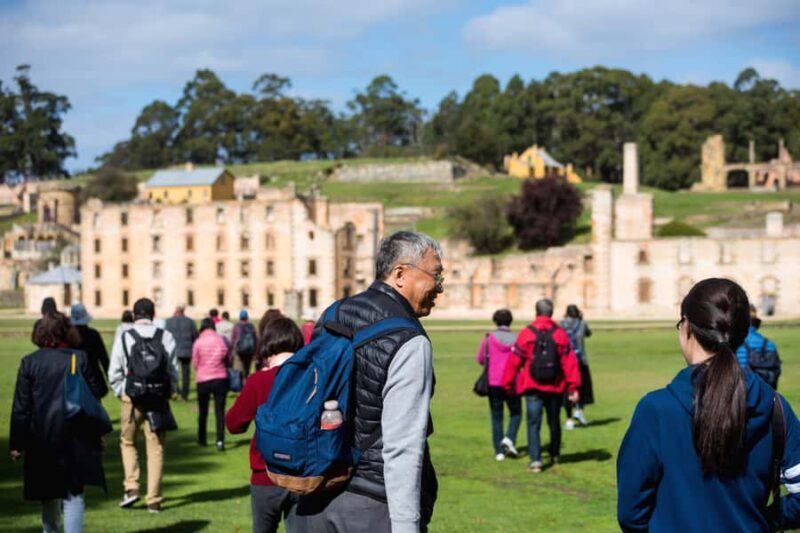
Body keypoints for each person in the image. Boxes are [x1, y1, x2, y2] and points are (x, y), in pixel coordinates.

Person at [617, 278, 800, 531]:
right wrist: (762, 521)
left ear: (686, 327)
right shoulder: (774, 406)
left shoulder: (656, 409)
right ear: (744, 331)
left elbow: (631, 513)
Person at [291, 231, 444, 533]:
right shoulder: (409, 340)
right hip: (371, 504)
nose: (439, 288)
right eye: (436, 276)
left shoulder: (333, 313)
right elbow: (402, 446)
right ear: (400, 274)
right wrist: (405, 526)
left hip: (312, 498)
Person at [10, 312, 106, 533]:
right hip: (76, 435)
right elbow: (96, 394)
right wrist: (98, 435)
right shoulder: (79, 358)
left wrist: (17, 442)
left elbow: (21, 407)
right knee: (74, 494)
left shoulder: (29, 362)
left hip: (41, 436)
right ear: (66, 331)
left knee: (48, 495)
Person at [226, 317, 305, 533]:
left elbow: (233, 424)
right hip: (302, 473)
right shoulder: (311, 378)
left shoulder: (259, 381)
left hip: (266, 474)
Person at [108, 298, 178, 513]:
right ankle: (154, 499)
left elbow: (114, 371)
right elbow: (172, 372)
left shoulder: (125, 336)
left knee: (128, 442)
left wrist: (123, 393)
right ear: (153, 314)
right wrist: (167, 392)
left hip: (132, 398)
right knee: (156, 448)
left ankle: (131, 487)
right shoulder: (165, 337)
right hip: (157, 399)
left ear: (133, 314)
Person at [502, 299, 580, 473]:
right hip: (555, 385)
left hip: (532, 385)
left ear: (536, 312)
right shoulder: (560, 334)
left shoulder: (526, 333)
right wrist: (573, 386)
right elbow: (569, 362)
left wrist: (507, 384)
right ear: (551, 313)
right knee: (554, 422)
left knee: (533, 423)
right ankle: (554, 453)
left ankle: (536, 460)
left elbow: (514, 361)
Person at [475, 309, 521, 461]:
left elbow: (481, 359)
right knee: (516, 413)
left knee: (496, 417)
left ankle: (499, 452)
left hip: (493, 382)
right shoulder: (516, 340)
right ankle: (509, 438)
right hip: (512, 382)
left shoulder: (489, 338)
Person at [192, 318, 230, 451]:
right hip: (220, 378)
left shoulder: (199, 341)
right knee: (220, 412)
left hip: (203, 378)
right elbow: (227, 356)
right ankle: (220, 441)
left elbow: (195, 362)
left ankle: (202, 438)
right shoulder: (220, 340)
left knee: (203, 412)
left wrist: (202, 369)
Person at [560, 304, 594, 429]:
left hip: (565, 362)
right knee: (582, 387)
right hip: (580, 360)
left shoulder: (561, 324)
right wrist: (581, 318)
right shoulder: (582, 324)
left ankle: (569, 419)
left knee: (567, 390)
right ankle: (579, 410)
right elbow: (589, 334)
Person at [736, 304, 781, 389]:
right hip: (767, 394)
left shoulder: (735, 343)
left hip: (743, 395)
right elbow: (776, 371)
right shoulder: (769, 344)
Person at [70, 303, 110, 399]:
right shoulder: (94, 335)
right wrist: (110, 378)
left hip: (75, 380)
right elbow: (104, 359)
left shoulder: (69, 338)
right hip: (94, 381)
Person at [165, 304, 199, 400]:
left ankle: (175, 391)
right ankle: (184, 394)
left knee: (173, 371)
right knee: (186, 373)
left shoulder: (169, 322)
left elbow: (166, 336)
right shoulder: (190, 322)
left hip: (173, 350)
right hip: (186, 350)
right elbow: (195, 336)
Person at [231, 310, 258, 379]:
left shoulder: (236, 326)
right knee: (247, 370)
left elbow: (233, 339)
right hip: (249, 352)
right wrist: (255, 352)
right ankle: (247, 383)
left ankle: (242, 386)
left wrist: (233, 351)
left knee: (240, 371)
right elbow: (256, 339)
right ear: (247, 317)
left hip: (239, 352)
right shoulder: (251, 326)